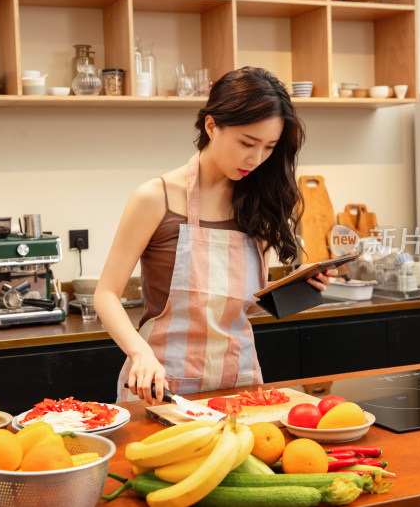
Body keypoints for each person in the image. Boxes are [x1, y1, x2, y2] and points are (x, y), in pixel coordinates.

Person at [93, 66, 335, 404]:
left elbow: (239, 307)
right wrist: (140, 353)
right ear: (211, 126)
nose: (256, 158)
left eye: (269, 147)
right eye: (247, 143)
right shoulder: (155, 197)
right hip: (161, 384)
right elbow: (105, 295)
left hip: (240, 383)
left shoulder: (258, 204)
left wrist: (299, 290)